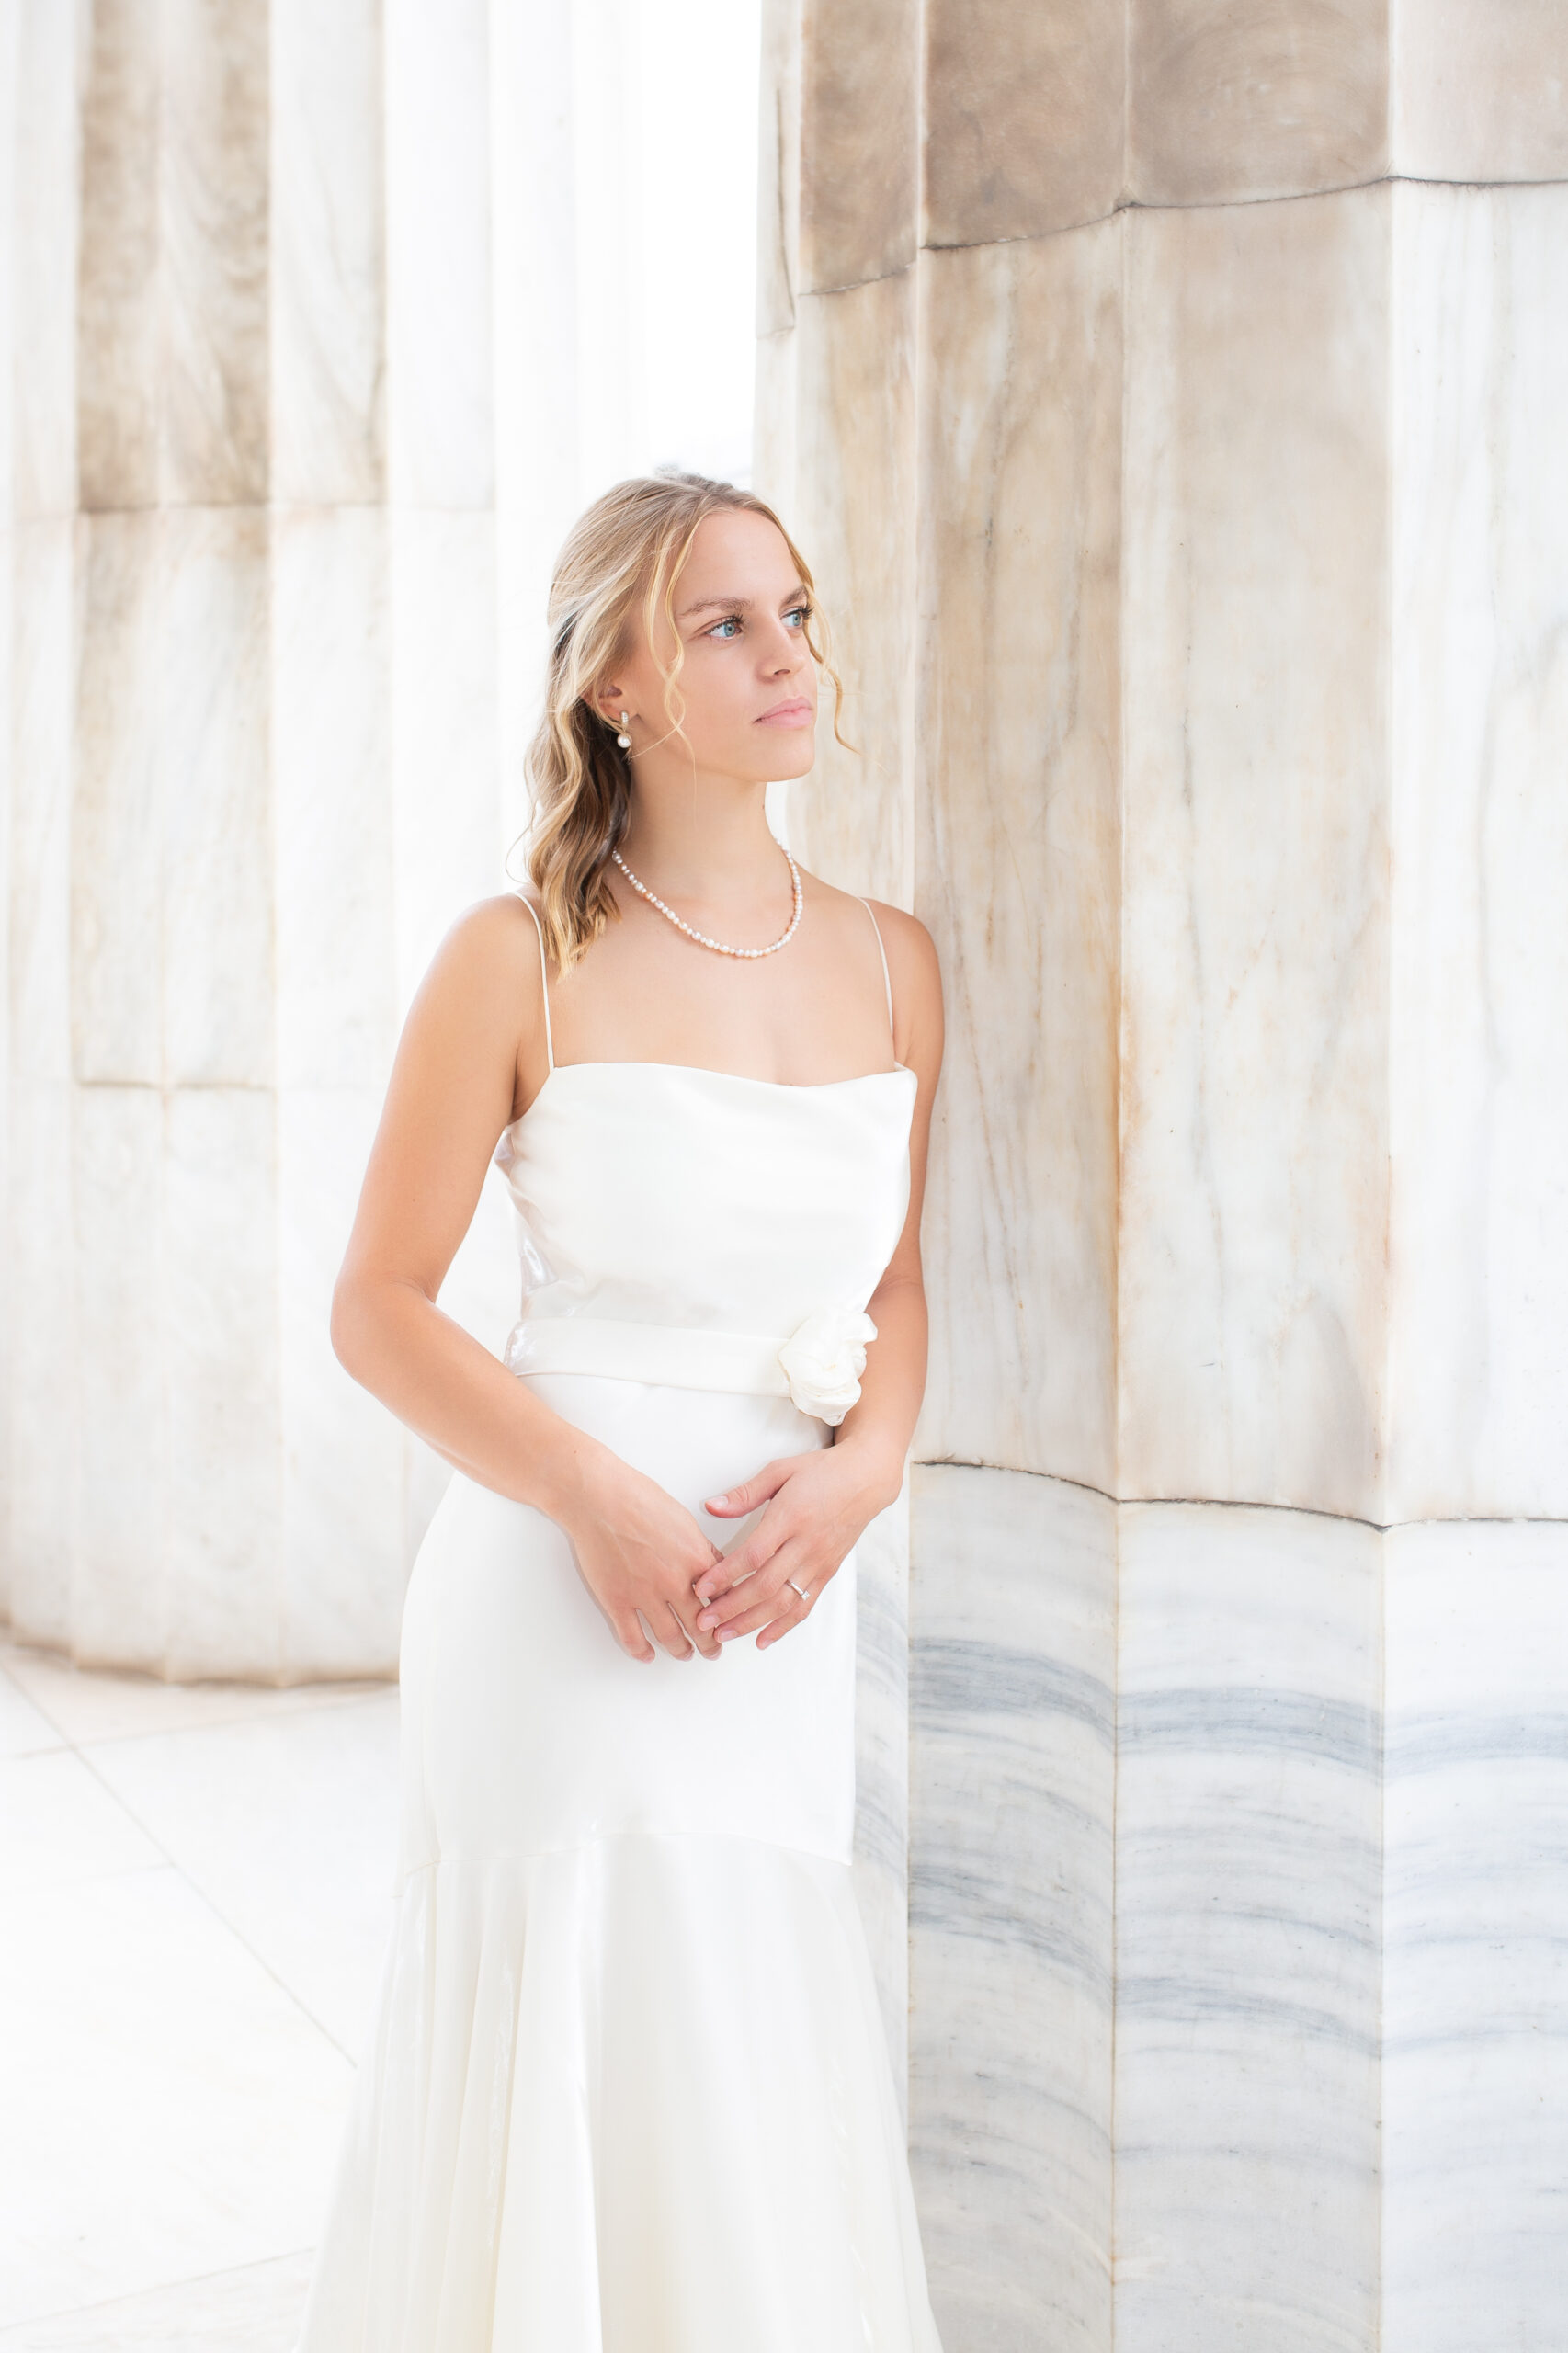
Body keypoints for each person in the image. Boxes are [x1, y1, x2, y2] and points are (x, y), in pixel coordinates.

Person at [297, 471, 945, 2350]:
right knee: (572, 2020)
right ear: (618, 684)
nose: (784, 655)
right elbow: (376, 1304)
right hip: (553, 1596)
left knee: (742, 2038)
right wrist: (589, 1493)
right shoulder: (520, 954)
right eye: (724, 622)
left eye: (796, 611)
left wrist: (865, 1476)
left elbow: (891, 1284)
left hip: (777, 1604)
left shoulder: (896, 955)